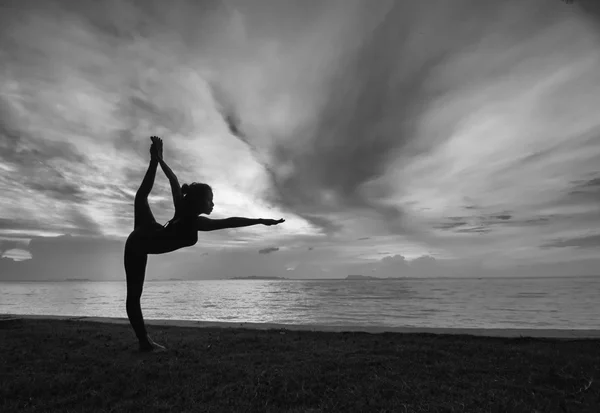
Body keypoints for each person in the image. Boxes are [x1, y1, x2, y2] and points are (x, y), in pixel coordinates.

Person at [124, 136, 285, 352]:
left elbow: (228, 220)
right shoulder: (193, 222)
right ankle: (145, 344)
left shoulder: (187, 213)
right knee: (134, 295)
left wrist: (260, 221)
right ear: (199, 202)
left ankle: (153, 159)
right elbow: (174, 180)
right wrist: (160, 160)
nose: (213, 204)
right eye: (210, 200)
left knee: (141, 198)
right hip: (139, 244)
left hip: (151, 230)